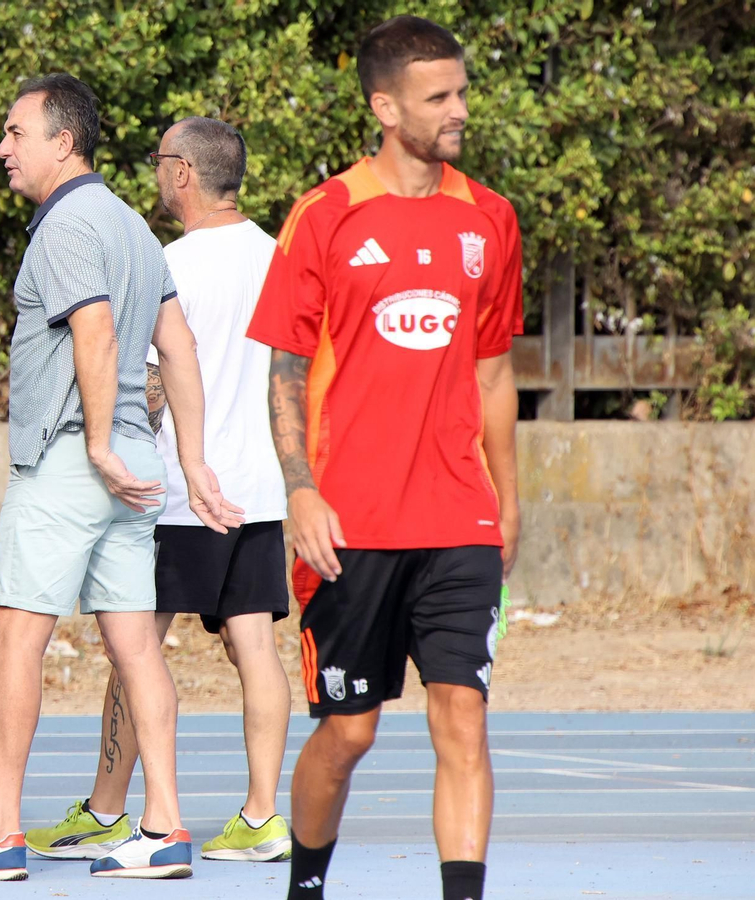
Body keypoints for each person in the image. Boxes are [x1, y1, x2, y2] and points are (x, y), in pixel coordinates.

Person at [0, 73, 239, 882]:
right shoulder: (134, 225)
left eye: (15, 132)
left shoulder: (65, 225)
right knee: (137, 648)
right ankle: (164, 826)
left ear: (63, 142)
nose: (0, 147)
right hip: (135, 463)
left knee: (17, 643)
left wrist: (95, 442)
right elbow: (180, 348)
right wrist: (191, 464)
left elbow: (95, 332)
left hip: (76, 459)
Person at [245, 16, 522, 900]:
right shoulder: (327, 215)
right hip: (351, 522)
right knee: (350, 733)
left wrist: (508, 502)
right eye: (438, 96)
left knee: (463, 721)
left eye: (462, 92)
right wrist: (300, 491)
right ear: (384, 104)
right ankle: (307, 885)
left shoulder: (489, 218)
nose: (459, 110)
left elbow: (495, 372)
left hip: (458, 516)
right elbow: (284, 372)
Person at [24, 116, 293, 864]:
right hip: (257, 489)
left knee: (134, 648)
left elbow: (145, 384)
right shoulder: (280, 259)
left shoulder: (168, 261)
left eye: (156, 161)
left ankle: (111, 810)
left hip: (176, 489)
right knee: (255, 646)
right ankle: (265, 815)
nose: (151, 174)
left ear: (182, 173)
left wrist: (104, 448)